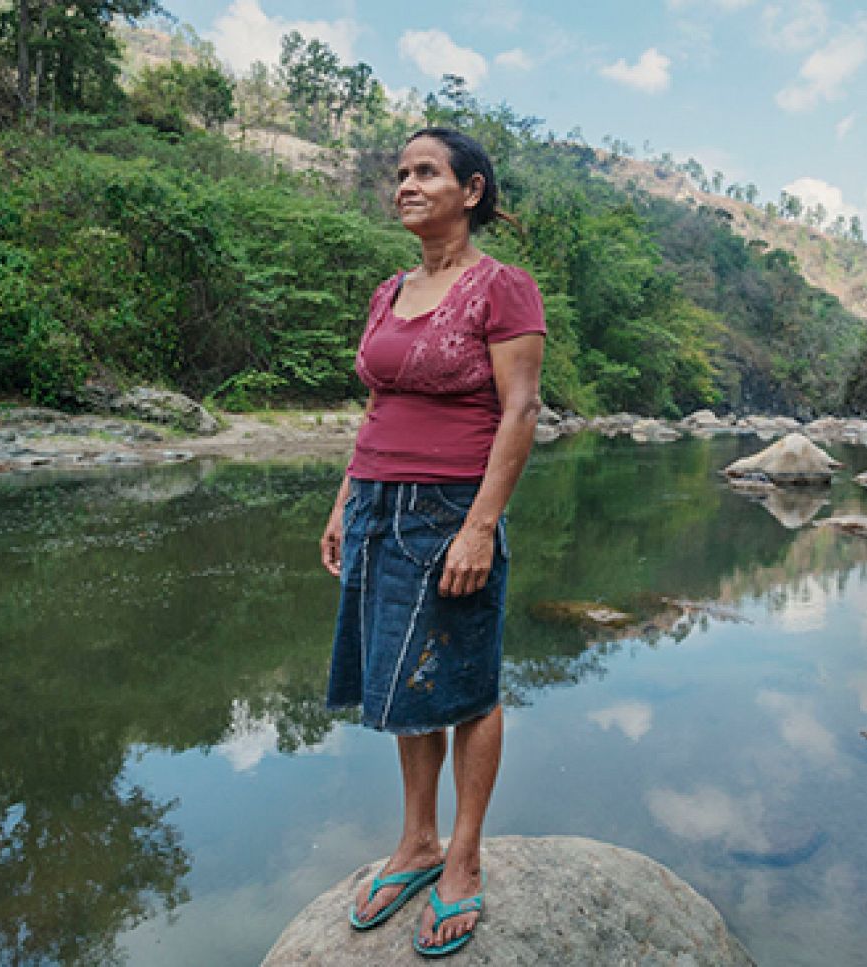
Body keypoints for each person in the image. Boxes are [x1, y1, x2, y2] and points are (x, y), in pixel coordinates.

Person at [320, 127, 545, 958]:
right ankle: (415, 840)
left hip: (450, 506)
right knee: (402, 677)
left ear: (472, 190)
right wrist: (346, 500)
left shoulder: (504, 288)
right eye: (401, 173)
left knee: (466, 680)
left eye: (426, 172)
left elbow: (519, 411)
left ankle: (464, 854)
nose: (406, 184)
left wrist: (480, 523)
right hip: (379, 502)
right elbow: (377, 407)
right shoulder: (388, 291)